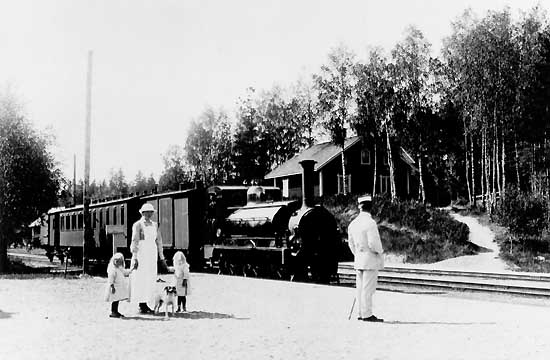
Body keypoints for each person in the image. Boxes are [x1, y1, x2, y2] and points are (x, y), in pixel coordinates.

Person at [347, 194, 385, 322]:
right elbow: (373, 243)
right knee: (368, 289)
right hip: (370, 259)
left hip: (359, 259)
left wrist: (357, 254)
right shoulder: (370, 223)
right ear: (370, 207)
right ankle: (367, 314)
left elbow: (350, 244)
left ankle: (360, 313)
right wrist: (380, 252)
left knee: (360, 288)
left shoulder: (353, 224)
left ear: (359, 207)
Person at [129, 203, 167, 314]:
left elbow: (159, 241)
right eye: (147, 212)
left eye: (151, 212)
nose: (149, 214)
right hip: (141, 254)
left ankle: (147, 302)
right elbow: (134, 241)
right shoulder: (138, 225)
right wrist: (135, 257)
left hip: (151, 254)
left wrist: (162, 257)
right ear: (142, 212)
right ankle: (141, 304)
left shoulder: (155, 225)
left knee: (150, 278)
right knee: (141, 278)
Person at [104, 252, 132, 318]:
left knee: (117, 300)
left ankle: (115, 311)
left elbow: (125, 272)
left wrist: (132, 269)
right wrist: (112, 286)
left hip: (119, 288)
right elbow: (111, 278)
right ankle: (113, 312)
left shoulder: (120, 268)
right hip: (114, 287)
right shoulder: (112, 269)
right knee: (114, 300)